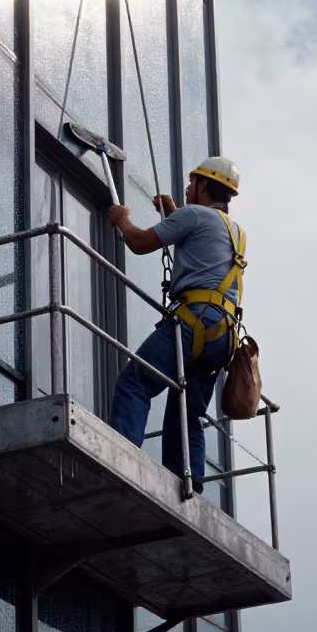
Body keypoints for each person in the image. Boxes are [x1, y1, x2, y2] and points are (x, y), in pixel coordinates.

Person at [108, 156, 246, 492]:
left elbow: (139, 243)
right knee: (188, 413)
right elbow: (199, 245)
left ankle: (121, 455)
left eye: (191, 182)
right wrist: (172, 211)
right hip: (222, 336)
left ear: (202, 185)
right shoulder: (235, 231)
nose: (186, 188)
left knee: (136, 382)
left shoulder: (193, 215)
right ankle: (191, 483)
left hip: (193, 320)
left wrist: (122, 220)